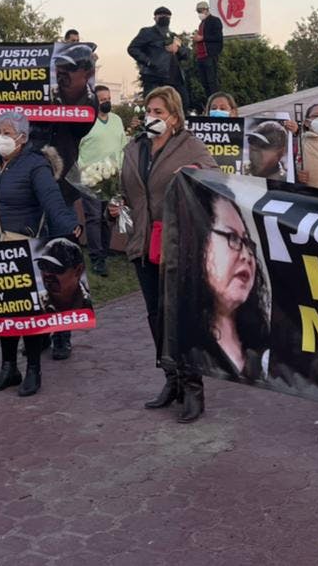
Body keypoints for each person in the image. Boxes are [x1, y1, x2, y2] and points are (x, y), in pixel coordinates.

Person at [114, 86, 216, 422]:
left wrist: (193, 175)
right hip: (143, 244)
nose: (151, 117)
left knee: (179, 316)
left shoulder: (190, 145)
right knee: (156, 316)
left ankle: (192, 387)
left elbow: (214, 180)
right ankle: (170, 380)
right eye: (149, 110)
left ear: (174, 115)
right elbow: (125, 189)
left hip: (177, 244)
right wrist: (114, 206)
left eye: (159, 112)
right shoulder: (136, 147)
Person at [0, 110, 81, 397]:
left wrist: (70, 227)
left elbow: (52, 200)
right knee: (3, 311)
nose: (1, 138)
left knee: (27, 313)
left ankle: (32, 370)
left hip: (23, 248)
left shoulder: (35, 165)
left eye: (7, 132)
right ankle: (8, 367)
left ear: (23, 137)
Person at [173, 183, 270, 382]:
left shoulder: (263, 348)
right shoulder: (185, 337)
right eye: (232, 238)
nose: (246, 255)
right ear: (199, 240)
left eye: (247, 242)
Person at [77, 84, 127, 277]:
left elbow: (122, 144)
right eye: (102, 99)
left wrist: (121, 169)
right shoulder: (86, 122)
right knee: (94, 217)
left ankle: (105, 251)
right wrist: (83, 170)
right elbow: (78, 147)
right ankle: (97, 258)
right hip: (90, 175)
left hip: (113, 175)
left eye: (108, 98)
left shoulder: (116, 120)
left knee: (109, 216)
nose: (106, 101)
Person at [128, 7, 191, 112]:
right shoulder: (147, 32)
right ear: (155, 18)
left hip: (175, 79)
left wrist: (178, 49)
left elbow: (187, 54)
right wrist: (149, 62)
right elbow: (132, 48)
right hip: (155, 77)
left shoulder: (173, 36)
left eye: (167, 16)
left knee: (183, 105)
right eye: (161, 16)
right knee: (154, 106)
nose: (164, 18)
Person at [36, 237, 90, 312]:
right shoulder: (34, 305)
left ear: (78, 271)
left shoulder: (90, 305)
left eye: (56, 268)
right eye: (43, 265)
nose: (47, 273)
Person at [192, 1, 224, 98]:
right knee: (204, 82)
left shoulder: (215, 20)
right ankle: (209, 102)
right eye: (198, 11)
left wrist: (203, 38)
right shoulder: (202, 23)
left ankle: (215, 101)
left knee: (211, 81)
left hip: (209, 55)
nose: (199, 13)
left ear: (206, 10)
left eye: (200, 11)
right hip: (201, 56)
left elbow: (218, 37)